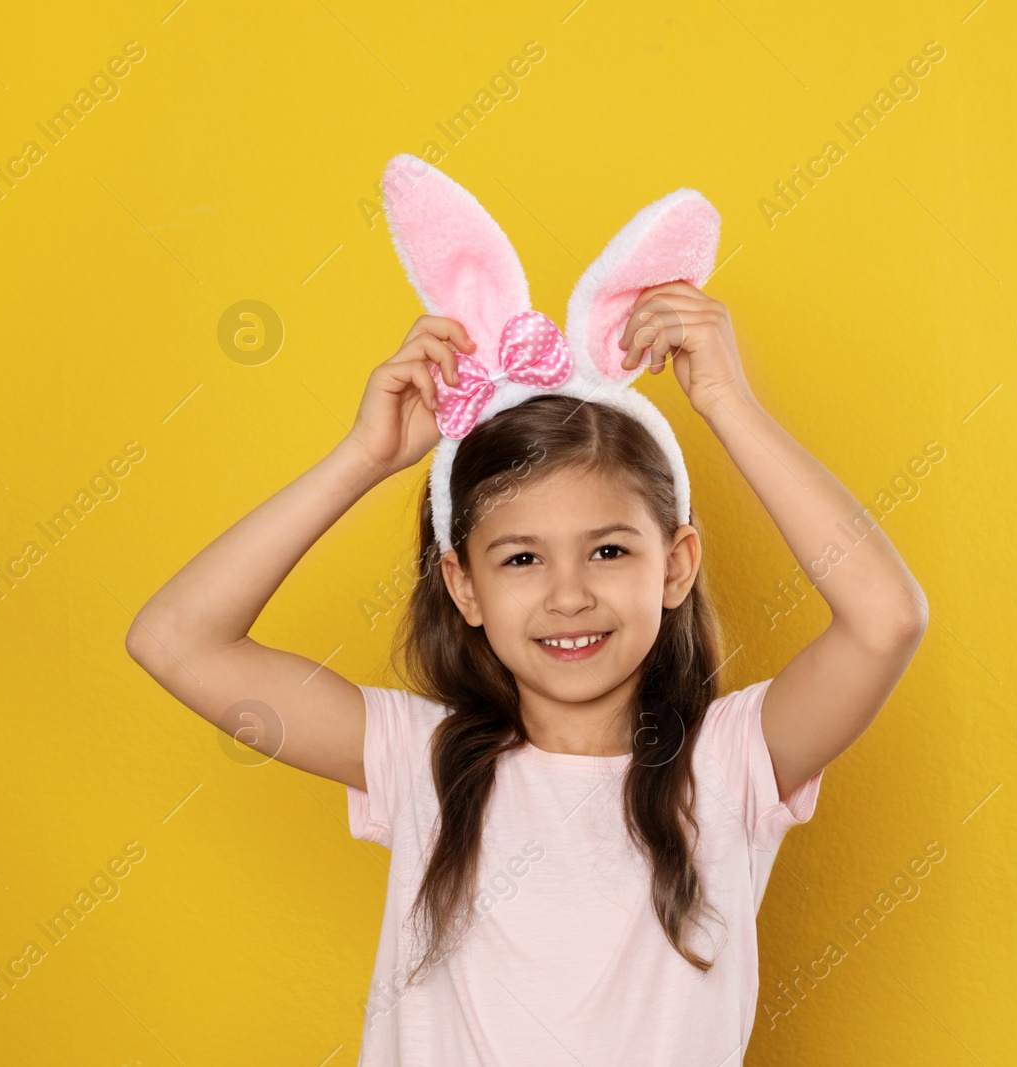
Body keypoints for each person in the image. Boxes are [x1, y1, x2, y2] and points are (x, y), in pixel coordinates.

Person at [126, 158, 927, 1065]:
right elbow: (174, 639)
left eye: (611, 549)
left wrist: (726, 401)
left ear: (677, 564)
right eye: (520, 559)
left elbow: (885, 618)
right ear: (463, 586)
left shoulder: (732, 763)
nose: (569, 593)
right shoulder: (418, 761)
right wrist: (362, 457)